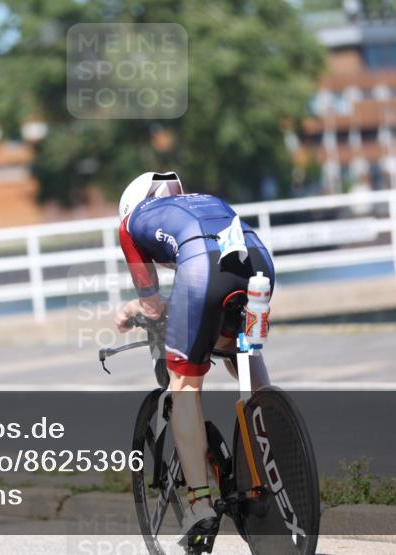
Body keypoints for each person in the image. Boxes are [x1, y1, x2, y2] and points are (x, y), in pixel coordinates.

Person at [113, 171, 275, 544]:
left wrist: (127, 310)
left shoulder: (129, 224)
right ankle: (273, 445)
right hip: (259, 264)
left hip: (203, 268)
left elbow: (152, 307)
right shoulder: (201, 201)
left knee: (184, 384)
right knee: (243, 351)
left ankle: (199, 502)